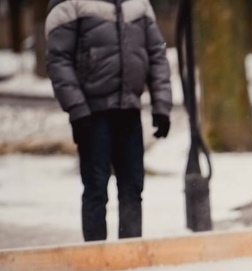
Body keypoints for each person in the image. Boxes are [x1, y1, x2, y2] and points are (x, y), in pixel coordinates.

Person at [45, 0, 173, 242]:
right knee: (96, 190)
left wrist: (162, 105)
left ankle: (130, 254)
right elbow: (58, 59)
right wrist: (77, 108)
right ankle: (95, 259)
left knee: (133, 189)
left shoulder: (138, 3)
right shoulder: (70, 3)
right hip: (92, 114)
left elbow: (157, 53)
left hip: (129, 110)